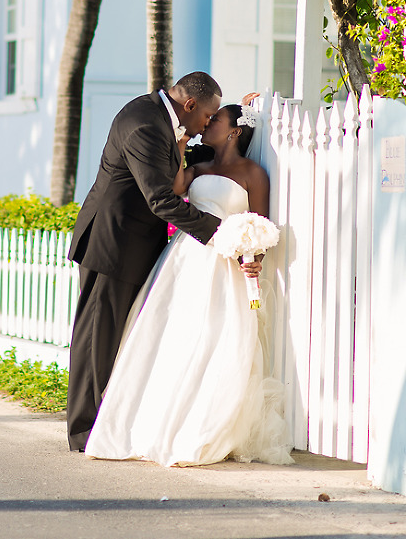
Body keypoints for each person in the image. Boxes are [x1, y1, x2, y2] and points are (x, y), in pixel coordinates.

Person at [83, 102, 294, 467]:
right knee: (171, 335)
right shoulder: (198, 165)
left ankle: (198, 423)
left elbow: (258, 222)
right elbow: (175, 186)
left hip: (223, 265)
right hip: (184, 258)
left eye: (216, 121)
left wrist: (252, 256)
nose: (207, 124)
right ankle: (154, 422)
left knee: (213, 338)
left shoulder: (253, 174)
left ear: (234, 132)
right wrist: (181, 143)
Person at [66, 72, 233, 452]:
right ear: (189, 105)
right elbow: (161, 200)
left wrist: (244, 119)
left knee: (120, 340)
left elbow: (184, 156)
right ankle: (83, 433)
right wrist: (221, 232)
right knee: (97, 341)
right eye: (207, 117)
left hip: (134, 245)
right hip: (112, 244)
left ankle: (106, 423)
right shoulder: (144, 122)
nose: (207, 124)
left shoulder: (160, 119)